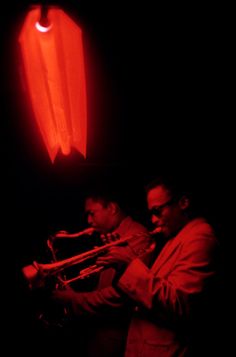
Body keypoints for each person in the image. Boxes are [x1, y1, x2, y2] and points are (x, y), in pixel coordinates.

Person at [95, 175, 221, 357]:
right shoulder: (175, 238)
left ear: (183, 202)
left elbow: (179, 304)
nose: (153, 220)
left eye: (158, 211)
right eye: (151, 213)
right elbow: (149, 292)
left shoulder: (201, 237)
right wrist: (122, 265)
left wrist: (130, 264)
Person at [52, 185, 153, 357]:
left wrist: (73, 299)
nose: (89, 221)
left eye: (92, 213)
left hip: (116, 338)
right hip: (100, 333)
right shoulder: (112, 236)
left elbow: (120, 298)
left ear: (112, 208)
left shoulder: (137, 237)